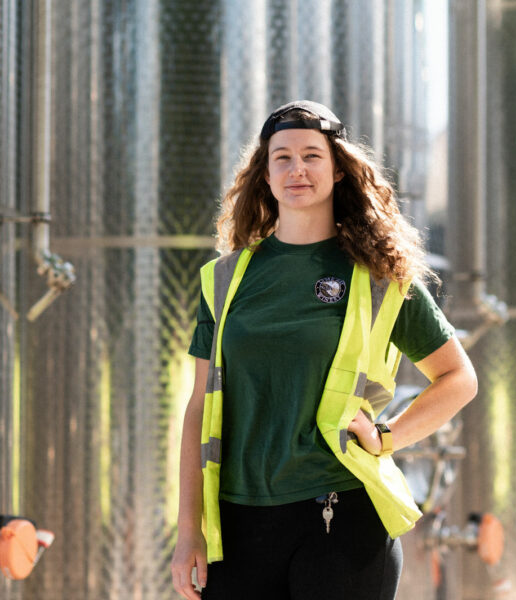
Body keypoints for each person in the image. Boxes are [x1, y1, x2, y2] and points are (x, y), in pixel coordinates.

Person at [171, 100, 477, 600]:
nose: (297, 169)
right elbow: (199, 408)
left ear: (337, 170)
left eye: (312, 155)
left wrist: (389, 436)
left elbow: (459, 378)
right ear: (264, 176)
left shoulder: (382, 275)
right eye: (282, 157)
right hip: (239, 521)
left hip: (343, 515)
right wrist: (188, 532)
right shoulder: (224, 279)